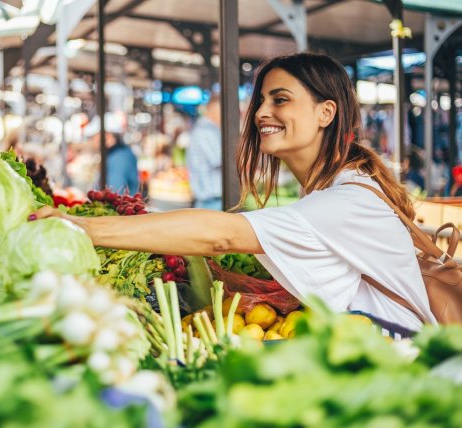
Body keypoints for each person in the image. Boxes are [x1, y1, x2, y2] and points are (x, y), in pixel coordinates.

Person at [31, 53, 435, 331]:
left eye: (281, 100)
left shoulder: (346, 199)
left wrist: (80, 227)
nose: (260, 113)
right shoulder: (340, 188)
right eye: (260, 101)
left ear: (325, 113)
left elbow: (220, 234)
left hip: (399, 370)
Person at [84, 113, 139, 195]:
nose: (92, 141)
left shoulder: (119, 158)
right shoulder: (118, 153)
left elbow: (114, 193)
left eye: (94, 136)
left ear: (106, 135)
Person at [186, 97, 222, 210]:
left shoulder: (204, 129)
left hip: (209, 201)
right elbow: (221, 160)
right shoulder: (206, 131)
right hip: (211, 202)